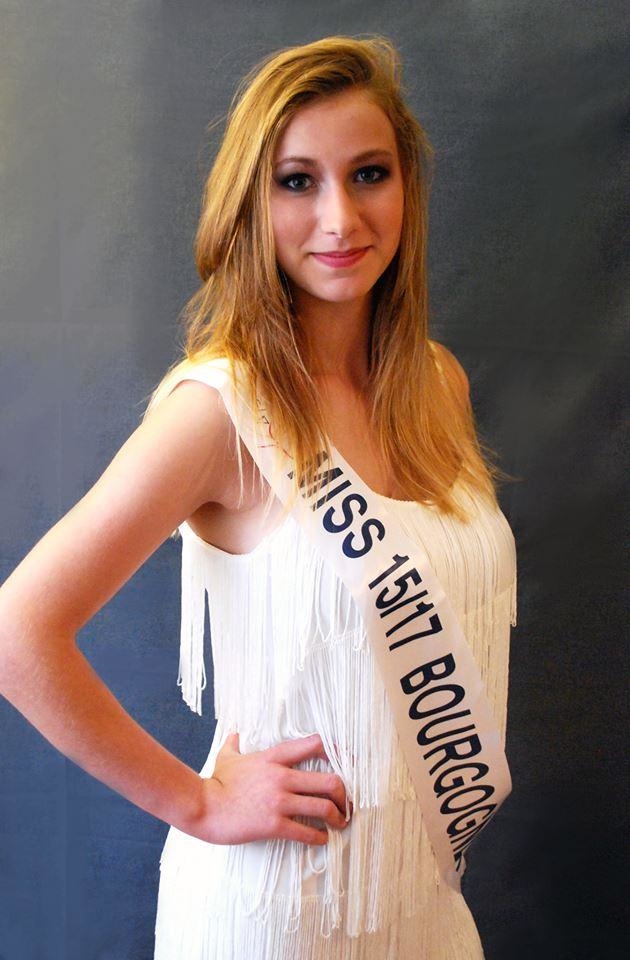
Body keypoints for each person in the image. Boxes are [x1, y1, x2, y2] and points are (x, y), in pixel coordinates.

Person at [0, 35, 516, 960]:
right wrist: (198, 803)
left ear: (408, 188)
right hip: (277, 908)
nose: (340, 217)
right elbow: (17, 634)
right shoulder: (222, 411)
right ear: (249, 201)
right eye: (296, 182)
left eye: (369, 174)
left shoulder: (438, 385)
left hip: (425, 899)